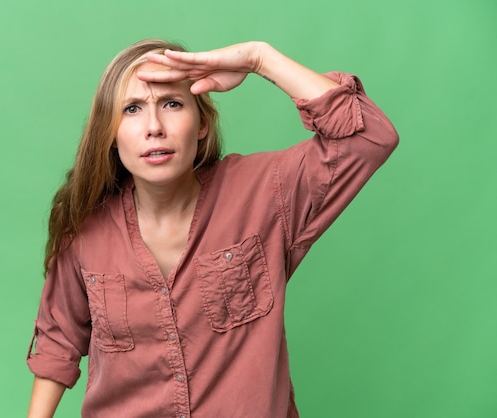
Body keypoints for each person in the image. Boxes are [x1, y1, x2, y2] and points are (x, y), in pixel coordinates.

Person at [26, 39, 398, 417]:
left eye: (171, 104)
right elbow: (59, 343)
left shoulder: (266, 194)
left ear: (202, 123)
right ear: (110, 133)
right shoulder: (86, 228)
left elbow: (369, 137)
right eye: (132, 109)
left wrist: (260, 59)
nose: (154, 127)